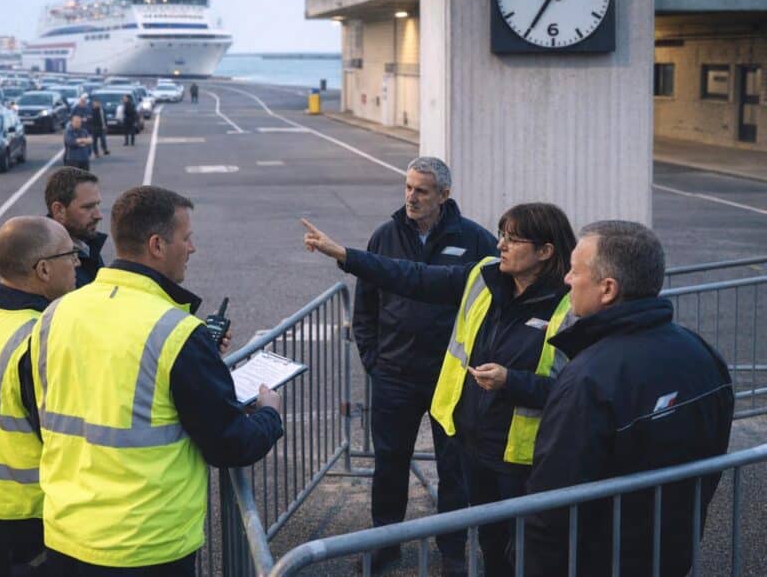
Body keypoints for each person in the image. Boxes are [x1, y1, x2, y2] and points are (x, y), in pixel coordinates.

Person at [303, 203, 576, 577]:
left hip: (522, 458)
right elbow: (413, 277)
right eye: (502, 235)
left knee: (527, 551)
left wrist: (511, 382)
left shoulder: (569, 307)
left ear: (545, 251)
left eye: (513, 239)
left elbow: (572, 391)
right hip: (476, 444)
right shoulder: (484, 276)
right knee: (492, 545)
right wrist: (346, 256)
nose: (501, 246)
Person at [31, 185, 284, 575]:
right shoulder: (177, 333)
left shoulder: (55, 313)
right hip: (145, 545)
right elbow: (230, 444)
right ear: (156, 245)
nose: (193, 248)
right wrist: (270, 414)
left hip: (67, 534)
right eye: (187, 238)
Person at [523, 221, 734, 577]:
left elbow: (553, 503)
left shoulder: (588, 378)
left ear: (608, 289)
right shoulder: (702, 353)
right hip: (671, 553)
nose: (567, 280)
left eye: (575, 271)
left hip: (599, 562)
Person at [353, 157, 497, 575]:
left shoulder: (475, 240)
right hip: (394, 375)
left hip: (449, 378)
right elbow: (365, 305)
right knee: (390, 463)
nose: (411, 197)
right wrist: (373, 359)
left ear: (444, 196)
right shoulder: (385, 236)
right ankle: (384, 545)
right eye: (408, 188)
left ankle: (452, 547)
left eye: (421, 190)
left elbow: (491, 306)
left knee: (455, 466)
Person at [0, 216, 80, 577]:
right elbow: (64, 433)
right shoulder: (40, 337)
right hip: (36, 510)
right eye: (70, 255)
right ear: (43, 269)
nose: (76, 263)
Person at [44, 167, 106, 288]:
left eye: (97, 205)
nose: (99, 215)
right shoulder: (53, 267)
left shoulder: (85, 243)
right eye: (88, 207)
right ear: (59, 210)